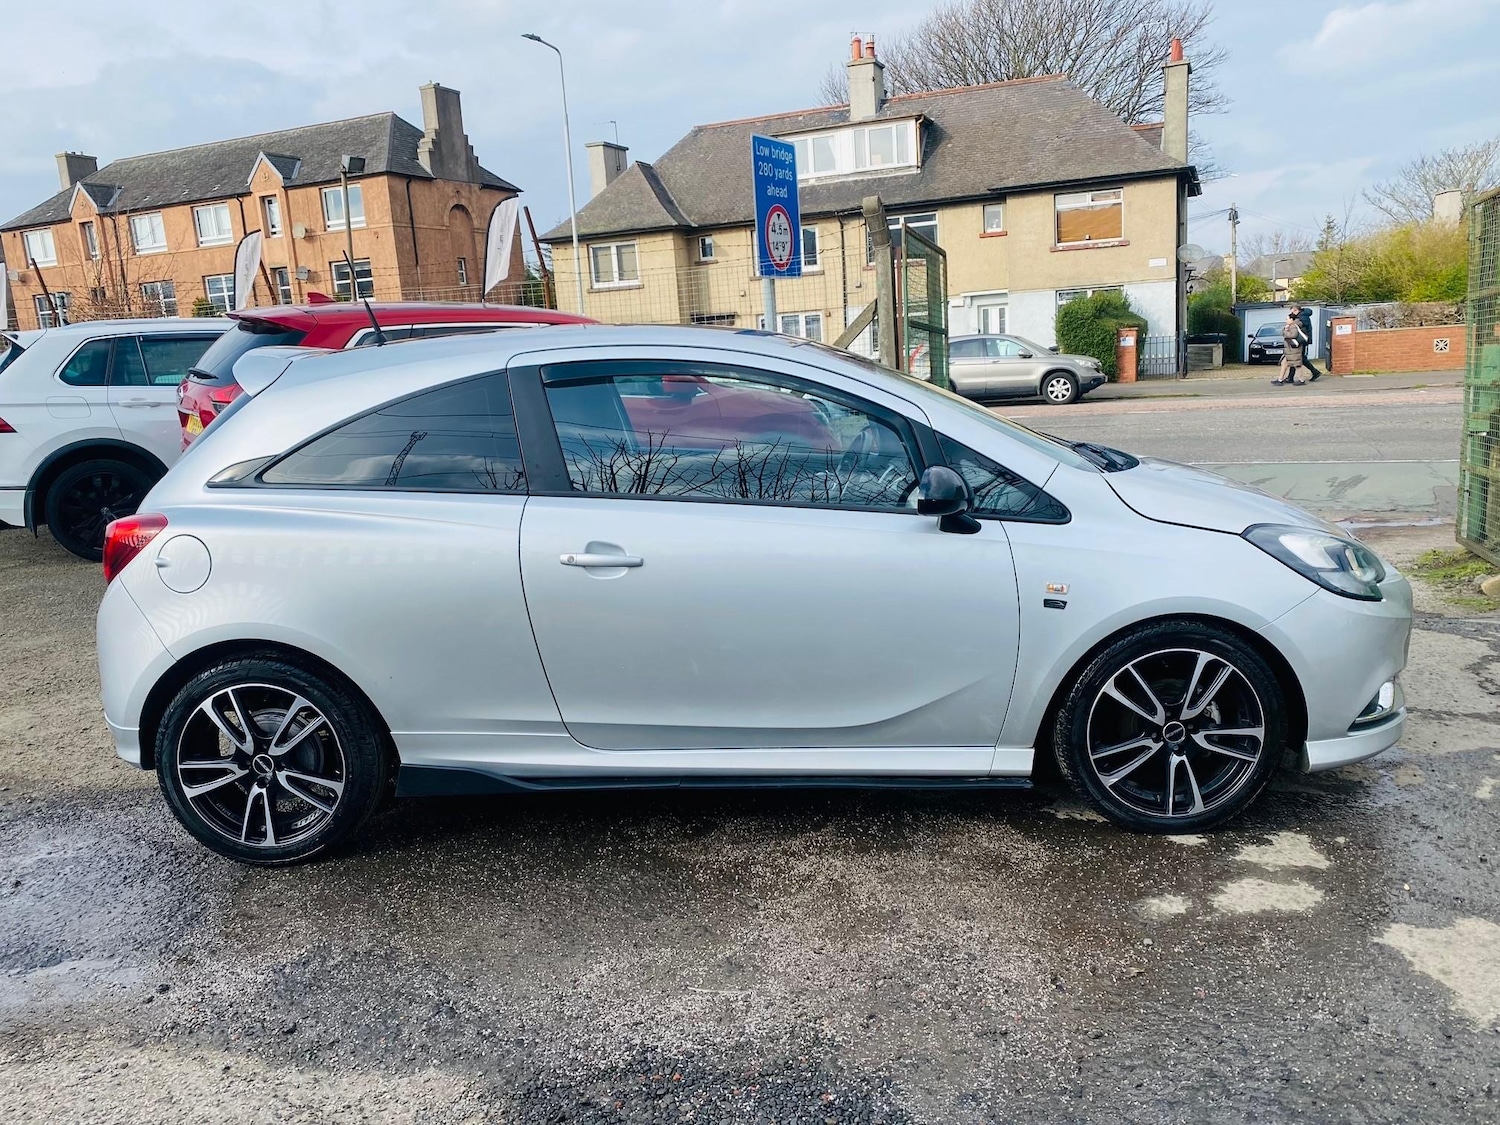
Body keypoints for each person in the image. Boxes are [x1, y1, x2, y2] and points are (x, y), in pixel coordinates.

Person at [1288, 304, 1326, 381]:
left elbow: (1300, 325)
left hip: (1302, 340)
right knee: (1297, 357)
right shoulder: (1302, 315)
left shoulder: (1302, 317)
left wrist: (1291, 322)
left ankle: (1314, 372)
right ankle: (1290, 377)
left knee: (1298, 358)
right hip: (1303, 339)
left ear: (1296, 310)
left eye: (1292, 312)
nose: (1292, 314)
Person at [1273, 310, 1307, 386]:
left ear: (1291, 319)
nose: (1286, 320)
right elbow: (1284, 333)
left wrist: (1285, 331)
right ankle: (1280, 379)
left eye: (1287, 319)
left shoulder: (1294, 326)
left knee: (1297, 365)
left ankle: (1301, 380)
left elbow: (1293, 335)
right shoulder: (1290, 326)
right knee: (1284, 363)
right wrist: (1285, 329)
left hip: (1293, 350)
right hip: (1290, 350)